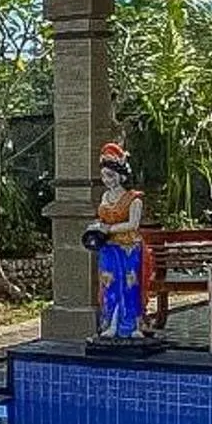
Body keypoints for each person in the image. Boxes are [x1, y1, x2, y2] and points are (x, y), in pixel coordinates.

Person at [83, 142, 150, 342]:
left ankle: (132, 324)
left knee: (130, 284)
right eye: (104, 176)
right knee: (109, 284)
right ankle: (110, 323)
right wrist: (98, 228)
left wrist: (108, 229)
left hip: (128, 248)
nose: (107, 180)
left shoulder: (133, 199)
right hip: (108, 247)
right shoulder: (105, 196)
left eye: (111, 176)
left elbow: (133, 224)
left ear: (121, 176)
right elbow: (104, 219)